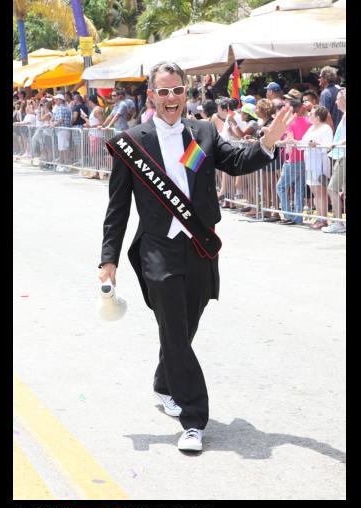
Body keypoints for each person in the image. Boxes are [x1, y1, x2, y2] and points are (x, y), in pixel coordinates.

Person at [97, 61, 294, 452]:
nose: (171, 98)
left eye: (177, 90)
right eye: (163, 91)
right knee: (173, 326)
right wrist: (109, 260)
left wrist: (266, 144)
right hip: (157, 249)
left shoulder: (202, 132)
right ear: (151, 96)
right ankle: (193, 420)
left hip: (199, 246)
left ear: (186, 92)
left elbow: (236, 162)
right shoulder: (132, 142)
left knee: (184, 325)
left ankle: (164, 382)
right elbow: (117, 208)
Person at [275, 89, 311, 225]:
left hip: (294, 159)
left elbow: (289, 140)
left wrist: (279, 143)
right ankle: (297, 217)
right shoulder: (308, 120)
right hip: (305, 159)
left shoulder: (291, 122)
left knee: (281, 187)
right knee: (299, 190)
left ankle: (289, 215)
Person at [299, 105, 333, 229]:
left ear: (318, 116)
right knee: (314, 191)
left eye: (312, 114)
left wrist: (317, 144)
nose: (309, 115)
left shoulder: (326, 128)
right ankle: (319, 217)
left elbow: (328, 146)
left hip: (320, 163)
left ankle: (323, 219)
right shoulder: (311, 128)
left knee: (321, 192)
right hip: (309, 163)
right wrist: (296, 142)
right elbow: (303, 143)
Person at [322, 87, 346, 234]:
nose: (336, 102)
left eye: (338, 99)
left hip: (344, 155)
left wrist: (337, 144)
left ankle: (338, 222)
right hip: (341, 155)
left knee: (332, 188)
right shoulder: (344, 115)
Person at [51, 93, 72, 173]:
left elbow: (61, 119)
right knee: (63, 148)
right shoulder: (65, 107)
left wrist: (53, 124)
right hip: (63, 130)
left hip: (62, 130)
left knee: (64, 148)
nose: (55, 101)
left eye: (56, 100)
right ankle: (63, 164)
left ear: (60, 100)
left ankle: (65, 165)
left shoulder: (61, 108)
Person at [318, 66, 344, 132]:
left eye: (320, 77)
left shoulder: (325, 93)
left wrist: (332, 132)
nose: (319, 79)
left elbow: (326, 115)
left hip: (334, 131)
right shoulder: (340, 90)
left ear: (325, 79)